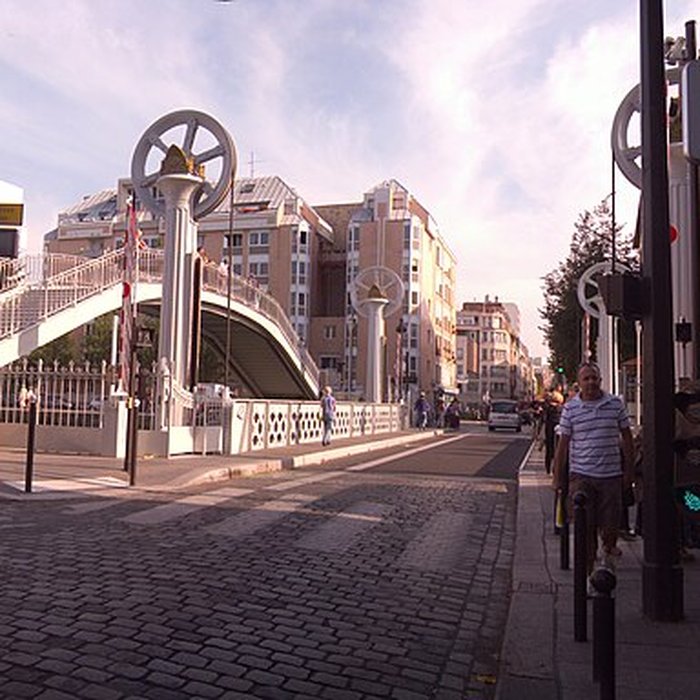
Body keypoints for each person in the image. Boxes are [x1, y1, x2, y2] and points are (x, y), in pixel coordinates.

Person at [553, 362, 635, 576]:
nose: (590, 382)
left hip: (611, 476)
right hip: (582, 476)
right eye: (586, 379)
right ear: (579, 383)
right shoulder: (571, 408)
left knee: (610, 527)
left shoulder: (615, 404)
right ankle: (589, 575)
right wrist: (557, 477)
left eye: (594, 378)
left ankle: (607, 554)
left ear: (600, 380)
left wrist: (629, 471)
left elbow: (627, 438)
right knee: (585, 527)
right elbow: (563, 445)